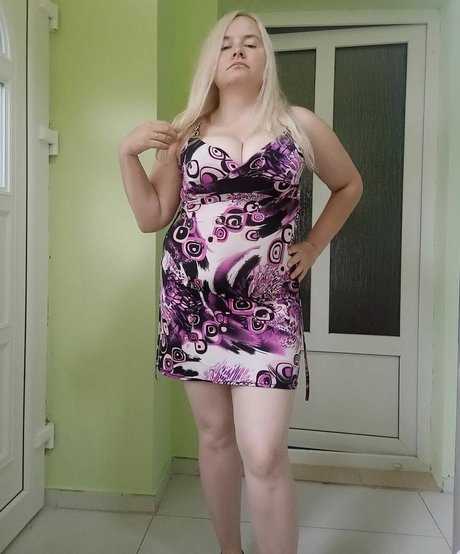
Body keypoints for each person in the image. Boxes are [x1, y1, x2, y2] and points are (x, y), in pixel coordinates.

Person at [118, 10, 363, 554]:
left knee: (265, 451)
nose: (237, 50)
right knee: (214, 437)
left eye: (250, 43)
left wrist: (313, 246)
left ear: (265, 58)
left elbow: (349, 184)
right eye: (226, 43)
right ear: (212, 60)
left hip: (269, 308)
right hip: (191, 307)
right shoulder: (186, 131)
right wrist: (126, 153)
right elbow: (151, 215)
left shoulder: (299, 125)